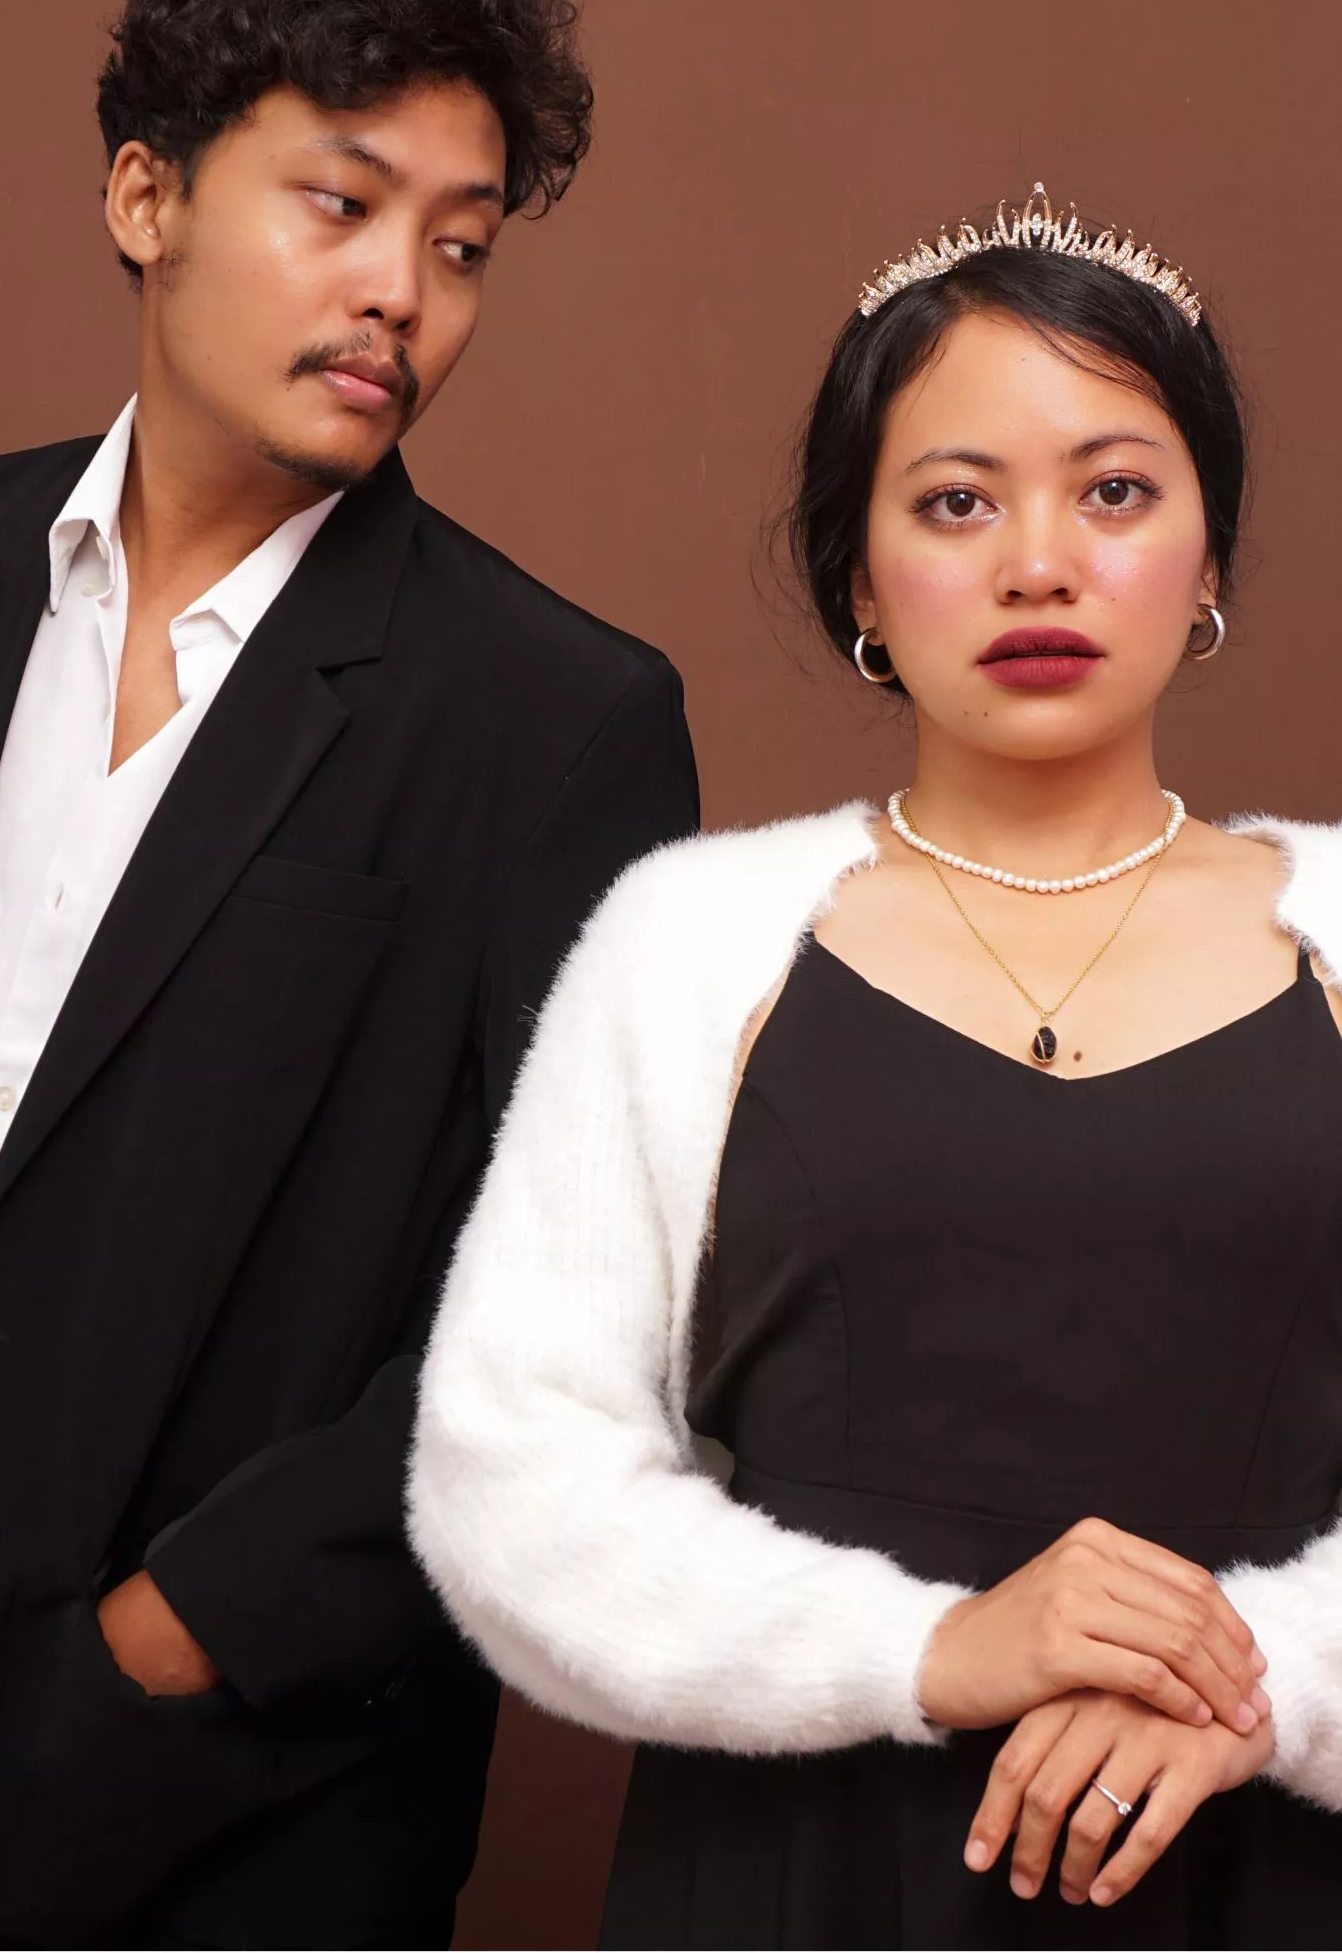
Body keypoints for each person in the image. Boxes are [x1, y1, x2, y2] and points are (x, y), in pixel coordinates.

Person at [0, 0, 698, 1951]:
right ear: (146, 196)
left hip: (225, 1796)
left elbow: (588, 1315)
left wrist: (180, 1641)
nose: (401, 292)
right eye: (341, 203)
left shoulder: (558, 723)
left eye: (462, 245)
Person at [411, 186, 1342, 1947]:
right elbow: (509, 1471)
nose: (1038, 563)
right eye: (956, 501)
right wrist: (932, 1647)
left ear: (1211, 556)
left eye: (1115, 491)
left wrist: (1265, 1686)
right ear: (859, 576)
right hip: (796, 1873)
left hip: (1264, 1873)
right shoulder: (689, 939)